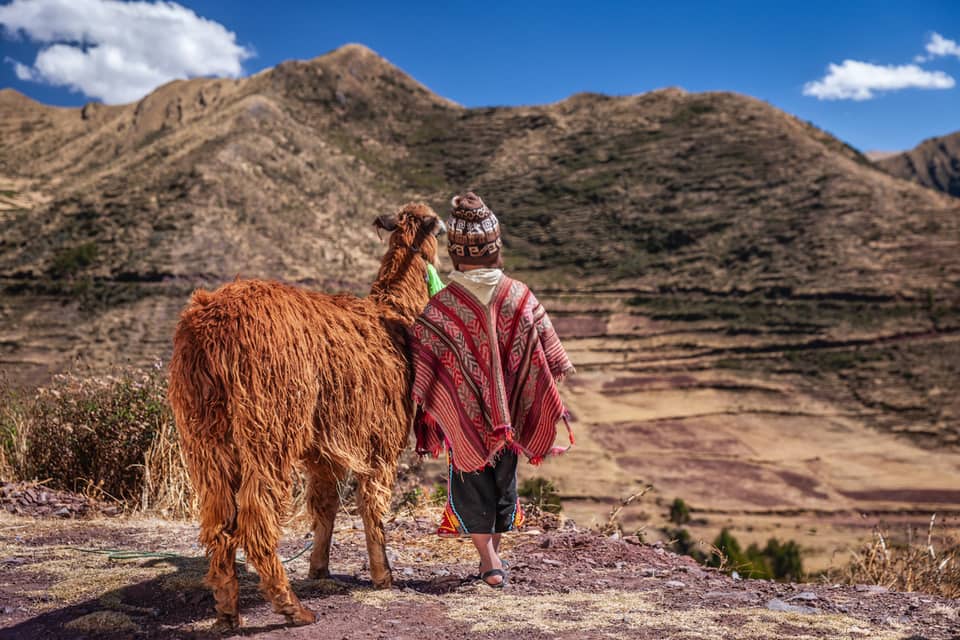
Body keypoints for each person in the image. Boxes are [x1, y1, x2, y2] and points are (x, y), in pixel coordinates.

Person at [410, 192, 575, 588]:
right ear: (495, 249)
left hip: (464, 417)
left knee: (471, 482)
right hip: (513, 420)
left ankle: (488, 557)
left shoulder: (441, 308)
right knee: (505, 480)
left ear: (456, 255)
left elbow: (423, 362)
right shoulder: (520, 296)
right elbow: (550, 355)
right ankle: (492, 557)